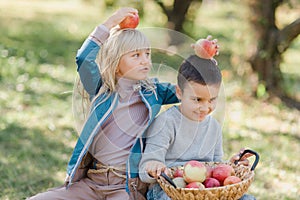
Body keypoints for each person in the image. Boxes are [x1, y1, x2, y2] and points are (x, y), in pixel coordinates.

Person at [27, 7, 181, 200]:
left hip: (125, 187)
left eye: (147, 54)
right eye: (136, 55)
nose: (145, 61)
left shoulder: (154, 92)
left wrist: (204, 61)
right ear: (116, 62)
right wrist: (112, 21)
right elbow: (83, 58)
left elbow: (189, 91)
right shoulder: (101, 89)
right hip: (92, 182)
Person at [139, 54, 256, 200]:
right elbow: (144, 171)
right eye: (197, 100)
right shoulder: (166, 122)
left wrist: (230, 166)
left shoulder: (213, 126)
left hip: (203, 190)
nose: (205, 108)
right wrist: (153, 166)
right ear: (179, 93)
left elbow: (214, 167)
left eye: (212, 100)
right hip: (170, 189)